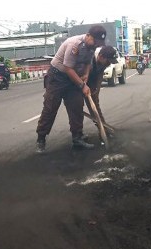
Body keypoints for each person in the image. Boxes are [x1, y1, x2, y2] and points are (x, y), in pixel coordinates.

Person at [36, 25, 107, 154]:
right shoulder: (74, 44)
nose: (97, 45)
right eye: (95, 41)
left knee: (76, 106)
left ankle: (77, 138)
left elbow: (87, 63)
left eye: (99, 43)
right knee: (50, 107)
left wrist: (85, 74)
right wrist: (82, 85)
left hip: (73, 79)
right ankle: (41, 139)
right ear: (88, 36)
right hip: (58, 77)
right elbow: (68, 68)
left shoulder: (91, 47)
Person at [84, 46, 118, 135]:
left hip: (91, 82)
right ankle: (77, 136)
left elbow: (100, 75)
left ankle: (103, 129)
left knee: (95, 108)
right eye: (108, 61)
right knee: (77, 106)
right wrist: (83, 86)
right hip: (77, 81)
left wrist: (97, 89)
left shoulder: (103, 63)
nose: (109, 64)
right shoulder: (88, 59)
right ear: (101, 56)